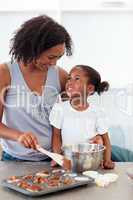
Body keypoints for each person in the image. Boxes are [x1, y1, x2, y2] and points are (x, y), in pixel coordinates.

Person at [0, 15, 73, 161]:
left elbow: (73, 117)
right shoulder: (5, 73)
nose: (54, 63)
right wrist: (19, 136)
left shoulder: (60, 75)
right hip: (16, 160)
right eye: (50, 57)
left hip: (53, 159)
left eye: (59, 57)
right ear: (32, 49)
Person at [49, 65, 115, 169]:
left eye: (77, 79)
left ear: (90, 88)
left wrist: (107, 160)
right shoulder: (59, 109)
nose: (70, 82)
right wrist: (56, 157)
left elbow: (106, 139)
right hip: (69, 161)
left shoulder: (98, 112)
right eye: (69, 78)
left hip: (91, 161)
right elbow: (56, 136)